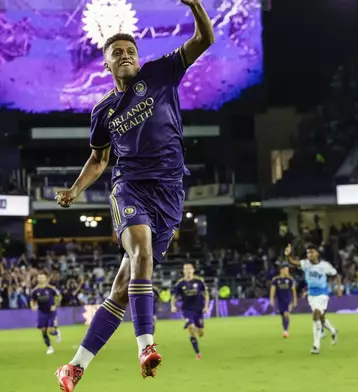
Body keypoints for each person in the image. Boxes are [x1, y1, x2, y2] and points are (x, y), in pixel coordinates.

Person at [54, 1, 215, 389]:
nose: (125, 56)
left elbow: (204, 38)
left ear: (138, 59)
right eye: (116, 54)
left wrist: (194, 5)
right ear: (106, 66)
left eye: (130, 52)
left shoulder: (161, 74)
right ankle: (146, 345)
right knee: (141, 251)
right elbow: (99, 159)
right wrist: (75, 189)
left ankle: (73, 367)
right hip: (130, 187)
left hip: (170, 194)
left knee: (123, 290)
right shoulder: (103, 111)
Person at [284, 244, 340, 354]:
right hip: (311, 294)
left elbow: (336, 275)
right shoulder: (305, 264)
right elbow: (293, 262)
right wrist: (288, 255)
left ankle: (316, 346)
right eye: (308, 252)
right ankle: (333, 331)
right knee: (321, 318)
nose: (309, 254)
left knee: (316, 314)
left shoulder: (325, 265)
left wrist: (338, 289)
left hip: (322, 294)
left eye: (311, 252)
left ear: (317, 253)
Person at [171, 263, 209, 359]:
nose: (187, 271)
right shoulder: (180, 283)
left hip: (198, 309)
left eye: (189, 269)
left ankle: (198, 330)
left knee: (200, 332)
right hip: (187, 310)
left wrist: (206, 306)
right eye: (185, 269)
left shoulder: (199, 281)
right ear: (183, 271)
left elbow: (206, 294)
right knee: (191, 328)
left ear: (193, 270)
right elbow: (174, 296)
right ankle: (198, 353)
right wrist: (172, 305)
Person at [30, 273, 62, 354]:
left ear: (45, 279)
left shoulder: (51, 288)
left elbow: (59, 296)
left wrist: (55, 305)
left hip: (51, 312)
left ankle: (57, 332)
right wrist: (32, 306)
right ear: (37, 279)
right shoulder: (35, 290)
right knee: (43, 330)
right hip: (41, 312)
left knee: (51, 331)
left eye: (42, 277)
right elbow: (32, 300)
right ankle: (49, 347)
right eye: (39, 277)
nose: (41, 279)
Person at [269, 263, 297, 338]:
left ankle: (285, 331)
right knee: (282, 316)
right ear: (281, 270)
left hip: (288, 300)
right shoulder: (276, 279)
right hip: (280, 300)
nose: (287, 271)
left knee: (286, 314)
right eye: (286, 270)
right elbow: (272, 290)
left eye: (288, 270)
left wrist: (294, 300)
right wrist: (271, 299)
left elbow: (293, 291)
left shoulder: (290, 279)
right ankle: (285, 329)